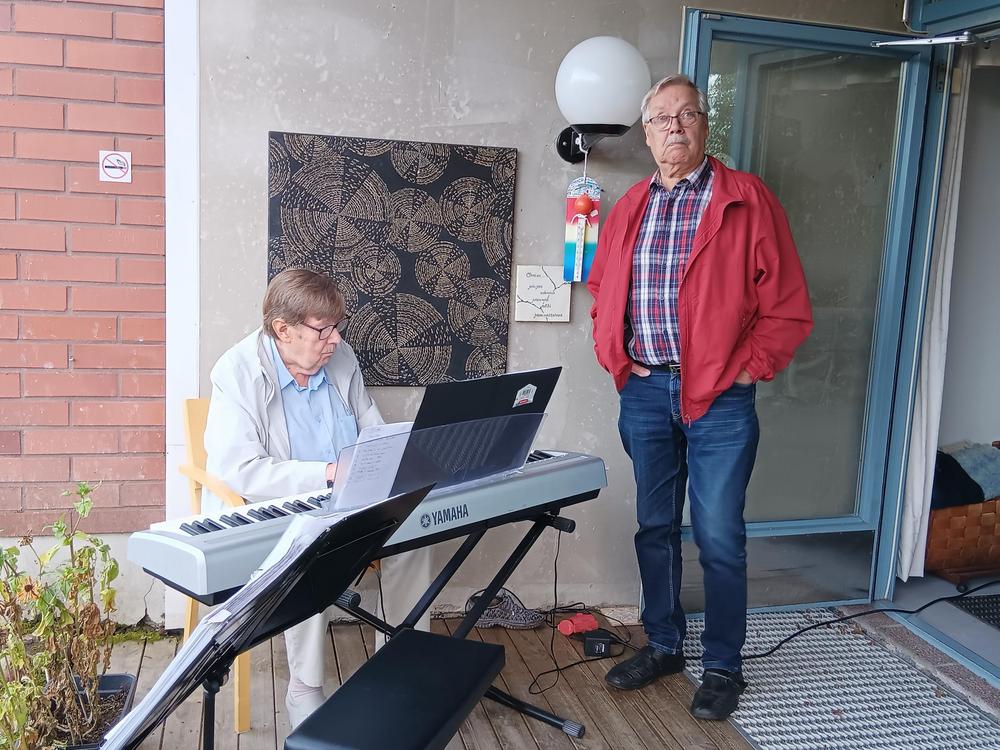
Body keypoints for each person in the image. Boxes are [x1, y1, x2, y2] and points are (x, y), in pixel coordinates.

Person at [587, 74, 813, 720]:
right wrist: (616, 354)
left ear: (705, 125)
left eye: (687, 115)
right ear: (647, 133)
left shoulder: (746, 199)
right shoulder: (632, 205)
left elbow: (787, 303)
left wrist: (749, 368)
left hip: (719, 398)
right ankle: (663, 645)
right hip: (646, 389)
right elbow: (603, 288)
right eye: (662, 118)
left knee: (717, 535)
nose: (675, 127)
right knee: (655, 527)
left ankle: (722, 666)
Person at [202, 268, 432, 727]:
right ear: (282, 329)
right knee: (312, 545)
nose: (336, 340)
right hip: (283, 506)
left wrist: (398, 457)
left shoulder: (340, 357)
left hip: (353, 496)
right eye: (323, 330)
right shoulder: (238, 371)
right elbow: (241, 470)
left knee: (416, 533)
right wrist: (327, 474)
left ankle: (401, 663)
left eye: (337, 326)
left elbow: (371, 427)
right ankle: (305, 688)